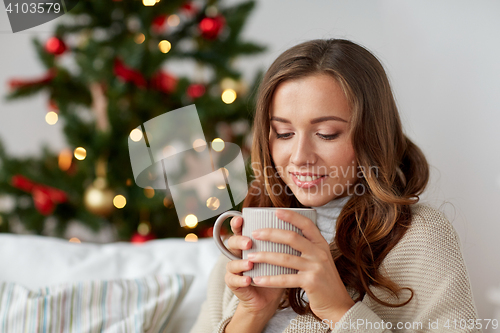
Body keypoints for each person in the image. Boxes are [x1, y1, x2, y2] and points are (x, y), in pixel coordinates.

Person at [189, 39, 480, 333]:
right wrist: (252, 314)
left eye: (327, 134)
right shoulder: (255, 231)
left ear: (371, 135)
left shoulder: (420, 238)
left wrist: (339, 310)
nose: (300, 157)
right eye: (284, 133)